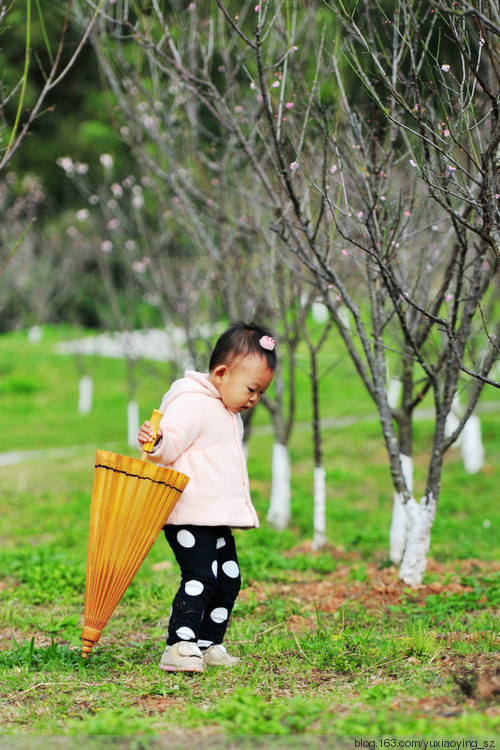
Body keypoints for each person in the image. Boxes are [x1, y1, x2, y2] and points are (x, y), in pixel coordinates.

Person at [137, 322, 276, 672]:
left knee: (229, 577)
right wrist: (156, 441)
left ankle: (208, 642)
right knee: (200, 577)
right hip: (188, 514)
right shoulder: (193, 402)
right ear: (221, 373)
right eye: (251, 389)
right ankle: (179, 645)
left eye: (260, 393)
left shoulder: (224, 409)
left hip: (212, 517)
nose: (254, 399)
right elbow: (169, 443)